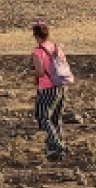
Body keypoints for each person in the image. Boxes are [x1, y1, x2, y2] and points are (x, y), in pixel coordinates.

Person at [29, 22, 71, 159]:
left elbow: (40, 72)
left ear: (35, 35)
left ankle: (57, 145)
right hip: (62, 86)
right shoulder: (55, 47)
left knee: (42, 117)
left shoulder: (38, 51)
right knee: (55, 118)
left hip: (47, 88)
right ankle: (58, 149)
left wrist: (29, 72)